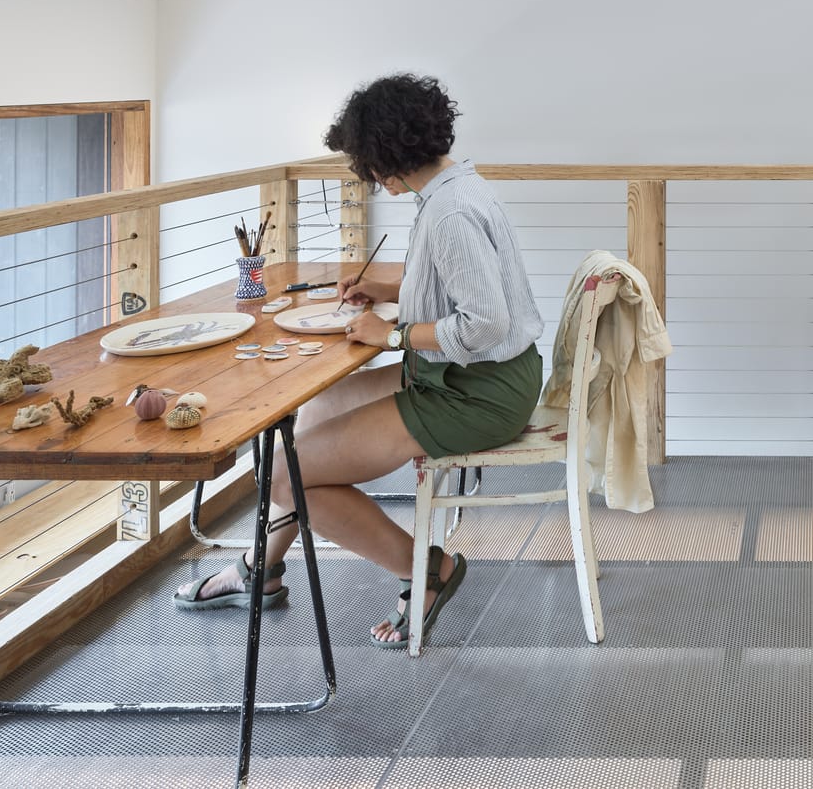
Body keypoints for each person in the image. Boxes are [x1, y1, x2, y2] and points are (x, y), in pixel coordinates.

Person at [174, 73, 545, 648]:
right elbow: (445, 278)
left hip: (475, 390)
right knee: (313, 413)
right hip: (470, 375)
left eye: (365, 162)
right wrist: (381, 285)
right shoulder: (455, 188)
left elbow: (484, 324)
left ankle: (425, 571)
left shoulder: (449, 213)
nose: (367, 176)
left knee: (284, 478)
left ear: (385, 157)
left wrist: (391, 332)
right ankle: (262, 568)